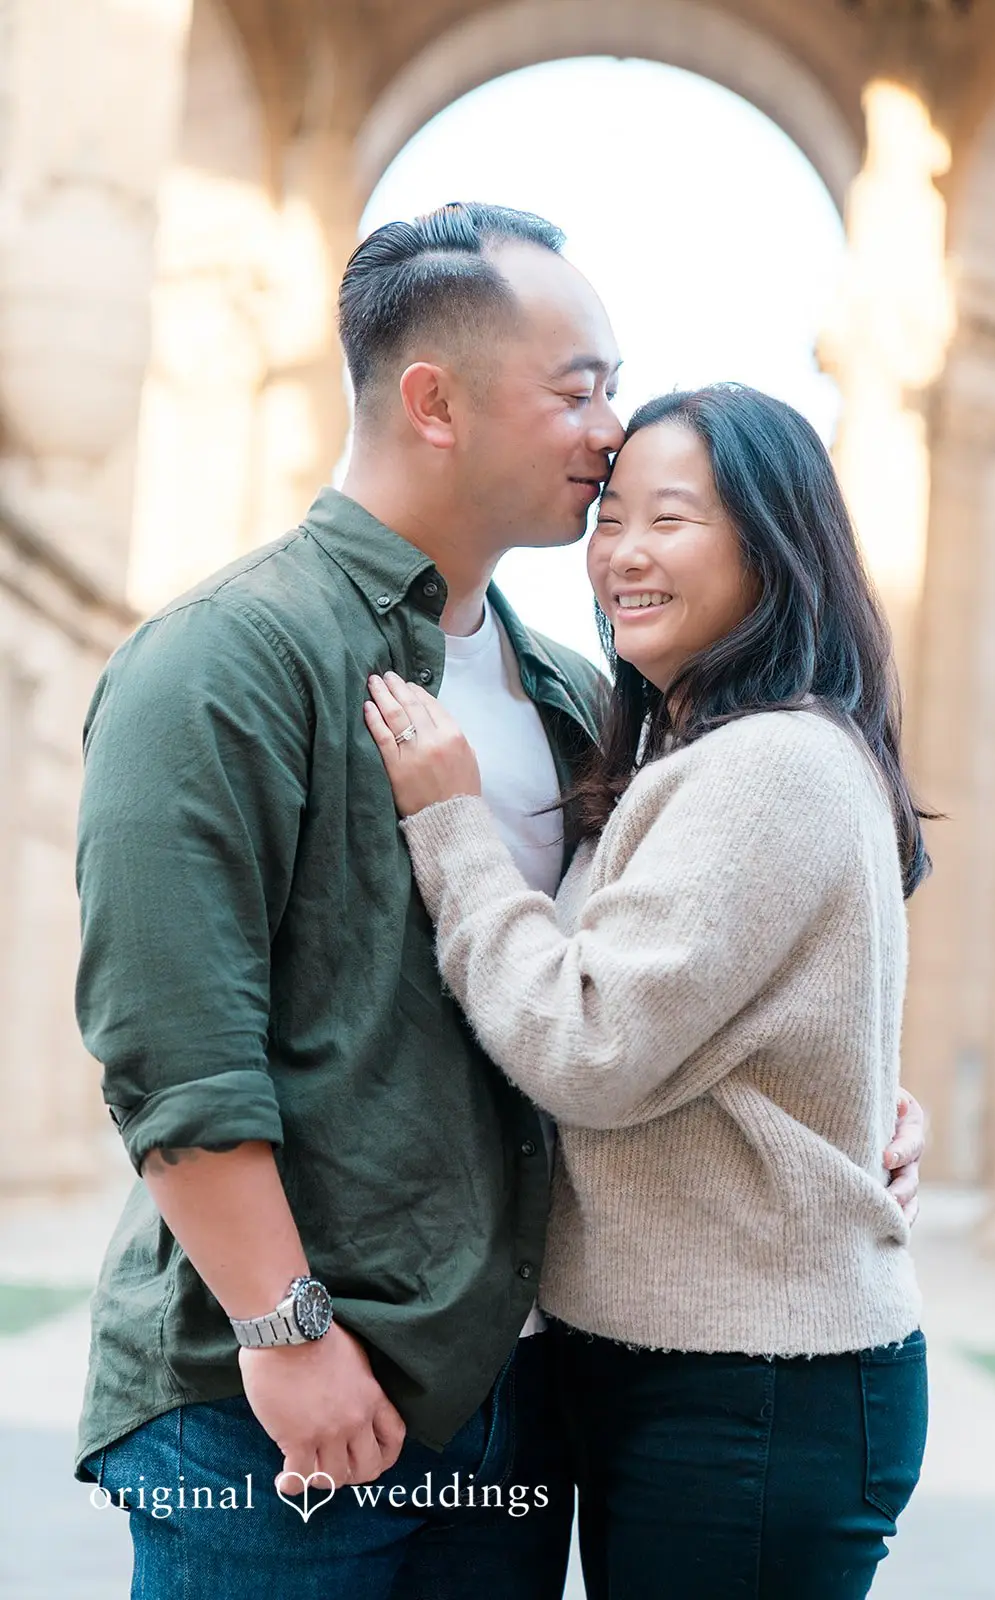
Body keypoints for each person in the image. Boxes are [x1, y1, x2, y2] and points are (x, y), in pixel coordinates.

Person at [74, 204, 924, 1600]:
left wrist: (851, 1097)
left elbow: (652, 981)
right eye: (580, 387)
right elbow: (173, 1052)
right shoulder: (219, 661)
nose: (608, 429)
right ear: (435, 401)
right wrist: (286, 1337)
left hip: (511, 1387)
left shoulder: (575, 696)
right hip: (274, 1401)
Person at [365, 381, 931, 1599]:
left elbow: (589, 1043)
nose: (620, 553)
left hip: (751, 1384)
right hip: (694, 1367)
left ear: (776, 546)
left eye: (670, 520)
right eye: (610, 516)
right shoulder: (699, 754)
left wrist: (453, 828)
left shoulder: (770, 766)